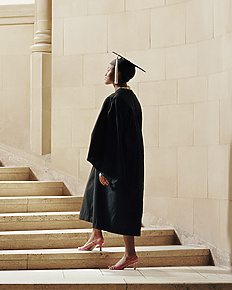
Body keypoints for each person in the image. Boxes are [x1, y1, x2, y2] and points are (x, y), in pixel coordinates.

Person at [78, 52, 145, 270]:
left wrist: (106, 168)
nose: (105, 73)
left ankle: (130, 254)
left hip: (116, 161)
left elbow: (109, 136)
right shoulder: (132, 99)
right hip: (130, 160)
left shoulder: (115, 100)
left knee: (124, 205)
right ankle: (96, 235)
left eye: (109, 69)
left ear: (117, 74)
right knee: (94, 191)